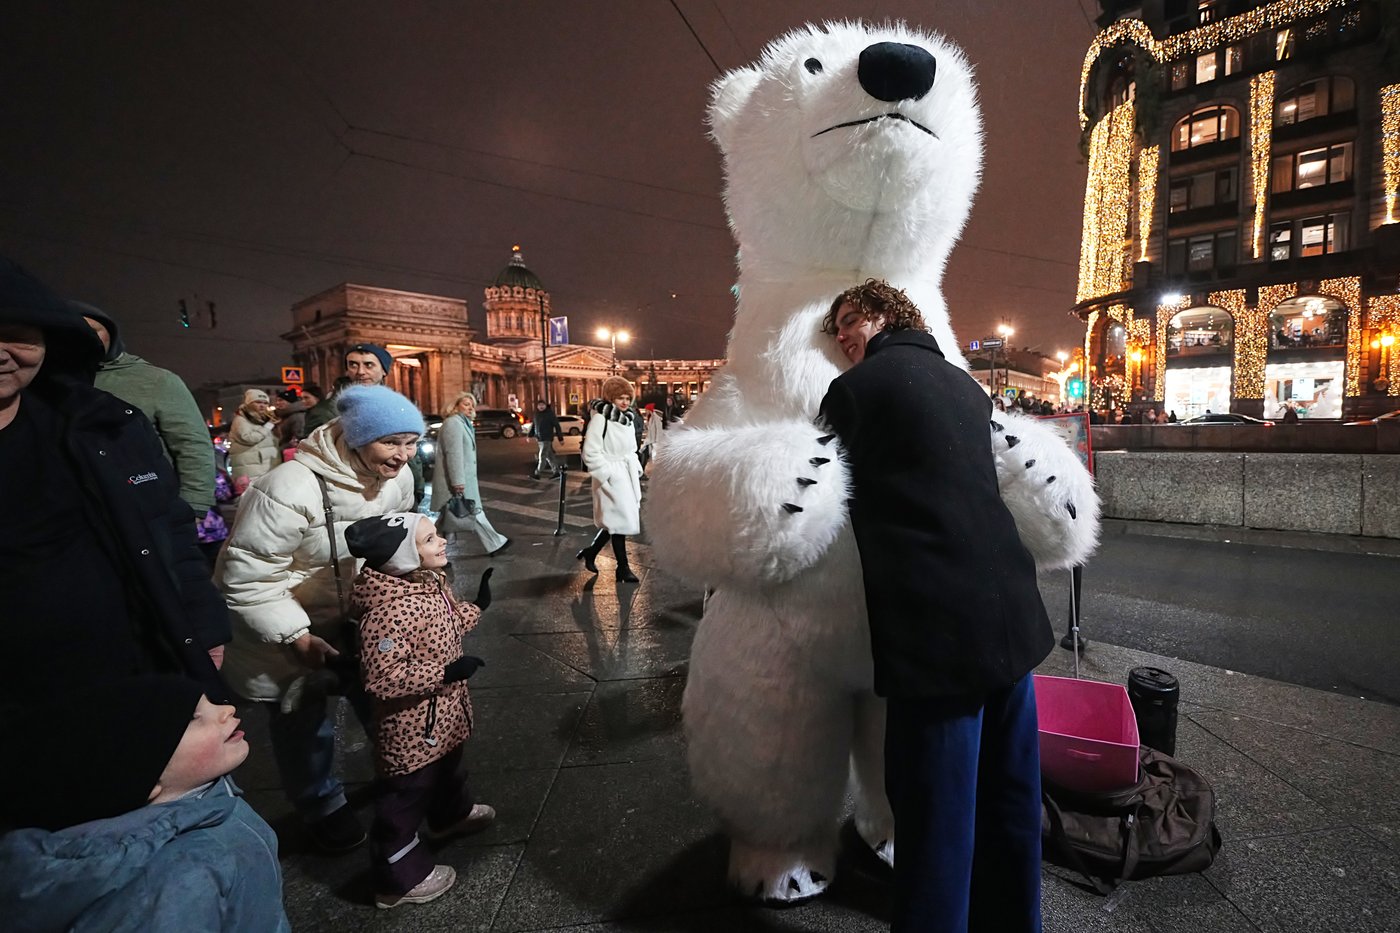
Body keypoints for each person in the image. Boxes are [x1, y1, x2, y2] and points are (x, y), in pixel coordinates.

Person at [818, 279, 1051, 933]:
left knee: (935, 822)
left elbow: (814, 500)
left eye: (850, 319)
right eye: (836, 328)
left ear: (885, 313)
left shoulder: (854, 392)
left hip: (938, 637)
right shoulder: (966, 387)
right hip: (1012, 620)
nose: (842, 335)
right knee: (1011, 804)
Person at [0, 257, 230, 706]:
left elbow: (167, 528)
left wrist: (203, 624)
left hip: (128, 668)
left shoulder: (105, 425)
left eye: (17, 332)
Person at [214, 384, 421, 854]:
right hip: (287, 628)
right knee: (304, 727)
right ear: (357, 437)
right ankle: (322, 804)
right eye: (391, 442)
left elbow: (395, 543)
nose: (403, 455)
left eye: (411, 442)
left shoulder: (399, 479)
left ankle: (403, 780)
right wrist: (296, 636)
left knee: (385, 707)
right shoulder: (287, 486)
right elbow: (246, 578)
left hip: (359, 622)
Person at [0, 676, 290, 932]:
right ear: (143, 778)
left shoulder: (205, 794)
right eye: (194, 718)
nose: (226, 709)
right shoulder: (172, 883)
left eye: (211, 703)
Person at [344, 514, 497, 909]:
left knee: (448, 769)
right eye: (430, 539)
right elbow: (382, 678)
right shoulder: (386, 612)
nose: (442, 541)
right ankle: (398, 880)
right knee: (405, 798)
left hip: (442, 714)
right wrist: (444, 673)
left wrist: (476, 607)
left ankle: (451, 816)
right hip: (411, 728)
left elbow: (443, 627)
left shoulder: (426, 583)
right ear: (404, 556)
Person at [80, 303, 216, 519]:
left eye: (93, 330)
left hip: (150, 508)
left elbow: (192, 445)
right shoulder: (45, 381)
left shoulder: (156, 380)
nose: (84, 337)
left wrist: (194, 506)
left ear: (111, 334)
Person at [576, 376, 643, 583]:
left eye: (627, 398)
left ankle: (591, 552)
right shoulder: (600, 419)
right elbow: (590, 452)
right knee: (619, 522)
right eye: (620, 398)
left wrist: (635, 467)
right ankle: (622, 568)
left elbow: (631, 449)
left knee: (616, 521)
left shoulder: (627, 419)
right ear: (611, 398)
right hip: (611, 476)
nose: (625, 402)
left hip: (625, 474)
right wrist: (607, 474)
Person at [430, 391, 511, 556]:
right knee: (474, 511)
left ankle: (430, 552)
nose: (470, 408)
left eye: (472, 405)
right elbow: (454, 454)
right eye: (466, 404)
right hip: (456, 480)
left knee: (447, 519)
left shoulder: (462, 423)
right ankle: (495, 543)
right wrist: (457, 481)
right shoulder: (453, 423)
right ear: (455, 406)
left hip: (462, 478)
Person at [303, 343, 394, 435]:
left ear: (384, 370)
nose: (360, 371)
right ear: (347, 371)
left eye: (369, 365)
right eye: (353, 365)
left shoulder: (394, 404)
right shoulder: (325, 412)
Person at [228, 388, 279, 482]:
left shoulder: (262, 419)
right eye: (258, 402)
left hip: (262, 466)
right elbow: (248, 438)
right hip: (251, 469)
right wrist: (268, 426)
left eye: (265, 403)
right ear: (248, 403)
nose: (262, 405)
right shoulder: (241, 420)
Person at [528, 398, 563, 479]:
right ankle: (556, 472)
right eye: (539, 405)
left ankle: (537, 473)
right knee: (550, 456)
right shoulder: (537, 415)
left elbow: (557, 426)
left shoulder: (550, 414)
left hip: (547, 438)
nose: (541, 407)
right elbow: (534, 426)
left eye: (542, 405)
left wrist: (560, 438)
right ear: (537, 406)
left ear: (545, 406)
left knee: (542, 456)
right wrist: (530, 435)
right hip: (540, 439)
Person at [639, 402, 663, 476]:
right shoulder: (650, 417)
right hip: (650, 440)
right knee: (651, 455)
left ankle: (657, 471)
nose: (646, 411)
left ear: (649, 410)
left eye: (646, 410)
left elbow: (658, 429)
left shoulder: (655, 417)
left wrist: (658, 440)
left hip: (655, 440)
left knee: (654, 456)